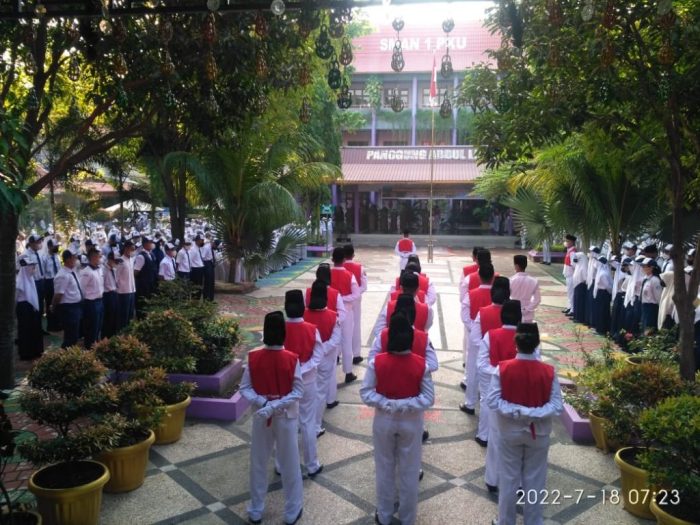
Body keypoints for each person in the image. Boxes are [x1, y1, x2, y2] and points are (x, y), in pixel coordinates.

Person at [360, 313, 435, 525]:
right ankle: (407, 517)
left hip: (383, 419)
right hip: (412, 421)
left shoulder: (377, 362)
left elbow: (365, 393)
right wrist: (405, 405)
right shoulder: (421, 365)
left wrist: (386, 403)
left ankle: (384, 515)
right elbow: (428, 398)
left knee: (384, 466)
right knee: (410, 470)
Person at [487, 323, 563, 525]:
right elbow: (557, 406)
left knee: (509, 478)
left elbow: (492, 401)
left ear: (516, 343)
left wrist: (517, 411)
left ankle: (505, 521)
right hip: (538, 434)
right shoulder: (549, 371)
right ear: (537, 343)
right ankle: (533, 521)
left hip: (509, 431)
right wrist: (535, 413)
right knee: (535, 481)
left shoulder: (502, 369)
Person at [239, 312, 304, 525]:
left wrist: (264, 403)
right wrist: (276, 404)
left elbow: (245, 388)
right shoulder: (292, 359)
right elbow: (297, 392)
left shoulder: (253, 357)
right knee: (290, 463)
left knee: (258, 462)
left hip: (261, 416)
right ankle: (292, 509)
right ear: (283, 333)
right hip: (286, 417)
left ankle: (256, 509)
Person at [478, 299, 522, 492]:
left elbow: (481, 364)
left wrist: (498, 372)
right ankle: (518, 482)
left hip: (497, 390)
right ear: (520, 318)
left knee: (495, 436)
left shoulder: (491, 335)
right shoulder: (526, 338)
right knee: (520, 440)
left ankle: (493, 479)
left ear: (501, 316)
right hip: (519, 394)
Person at [281, 290, 325, 477]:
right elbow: (318, 355)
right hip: (307, 381)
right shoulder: (311, 329)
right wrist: (303, 368)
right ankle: (312, 464)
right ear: (303, 307)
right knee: (308, 422)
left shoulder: (280, 329)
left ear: (285, 307)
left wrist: (292, 370)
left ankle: (280, 464)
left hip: (284, 382)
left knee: (286, 423)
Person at [471, 276, 511, 445]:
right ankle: (501, 434)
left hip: (489, 364)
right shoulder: (515, 314)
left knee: (487, 400)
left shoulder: (483, 312)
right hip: (509, 368)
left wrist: (485, 350)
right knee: (507, 399)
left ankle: (484, 435)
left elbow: (475, 338)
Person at [303, 281, 342, 435]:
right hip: (325, 359)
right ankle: (316, 425)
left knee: (304, 393)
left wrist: (314, 352)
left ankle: (304, 422)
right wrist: (322, 350)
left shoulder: (303, 314)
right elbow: (335, 339)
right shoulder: (333, 316)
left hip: (307, 359)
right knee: (320, 392)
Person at [460, 263, 495, 414]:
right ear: (493, 276)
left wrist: (473, 328)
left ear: (479, 276)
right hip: (494, 337)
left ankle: (470, 403)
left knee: (473, 368)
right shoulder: (498, 294)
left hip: (476, 337)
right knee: (492, 368)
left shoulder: (471, 294)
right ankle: (489, 398)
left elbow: (464, 316)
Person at [330, 247, 360, 384]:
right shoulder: (349, 275)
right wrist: (343, 298)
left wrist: (336, 298)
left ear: (332, 259)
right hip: (346, 312)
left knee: (331, 340)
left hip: (331, 313)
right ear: (344, 260)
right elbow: (356, 294)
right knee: (346, 341)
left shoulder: (328, 274)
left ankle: (333, 364)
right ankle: (348, 373)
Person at [51, 249, 84, 348]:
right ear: (68, 259)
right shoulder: (62, 275)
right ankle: (64, 358)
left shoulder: (71, 271)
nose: (76, 259)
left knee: (74, 335)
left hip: (75, 307)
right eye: (74, 257)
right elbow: (58, 295)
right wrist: (53, 306)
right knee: (70, 337)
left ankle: (70, 356)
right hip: (69, 309)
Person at [15, 253, 44, 360]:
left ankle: (36, 350)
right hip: (24, 308)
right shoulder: (19, 282)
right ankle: (26, 353)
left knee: (35, 329)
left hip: (33, 308)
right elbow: (16, 298)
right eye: (32, 267)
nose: (34, 269)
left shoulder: (31, 279)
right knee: (25, 330)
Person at [343, 244, 367, 364]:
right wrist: (356, 294)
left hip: (340, 300)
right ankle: (356, 354)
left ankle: (337, 354)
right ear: (353, 254)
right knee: (356, 325)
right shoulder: (360, 268)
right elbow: (364, 286)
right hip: (355, 300)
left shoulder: (338, 266)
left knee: (339, 326)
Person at [80, 248, 104, 349]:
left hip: (100, 301)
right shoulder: (86, 272)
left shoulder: (99, 269)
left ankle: (96, 346)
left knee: (98, 326)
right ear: (93, 257)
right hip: (91, 302)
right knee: (92, 328)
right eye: (99, 256)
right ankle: (89, 348)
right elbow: (82, 288)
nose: (101, 258)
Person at [509, 255, 541, 323]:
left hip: (513, 312)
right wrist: (527, 309)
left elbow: (507, 297)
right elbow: (537, 299)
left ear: (516, 266)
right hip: (528, 315)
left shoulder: (510, 280)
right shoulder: (533, 281)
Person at [134, 237, 158, 317]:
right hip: (143, 285)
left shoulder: (151, 254)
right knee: (142, 304)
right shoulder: (141, 256)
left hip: (150, 283)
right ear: (145, 244)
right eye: (150, 242)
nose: (152, 244)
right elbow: (136, 272)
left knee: (149, 303)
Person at [25, 235, 46, 320]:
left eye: (40, 242)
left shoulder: (39, 253)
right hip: (33, 283)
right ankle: (35, 329)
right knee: (34, 305)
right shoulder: (26, 255)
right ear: (31, 243)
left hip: (41, 281)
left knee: (40, 304)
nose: (39, 243)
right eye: (37, 242)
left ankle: (39, 328)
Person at [116, 241, 136, 330]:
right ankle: (122, 332)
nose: (133, 251)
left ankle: (129, 333)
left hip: (132, 290)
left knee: (130, 314)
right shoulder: (120, 261)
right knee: (124, 315)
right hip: (123, 291)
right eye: (131, 249)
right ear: (126, 249)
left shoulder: (131, 259)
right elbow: (116, 276)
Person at [640, 258, 663, 335]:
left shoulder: (655, 280)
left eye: (645, 266)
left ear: (651, 267)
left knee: (649, 329)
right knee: (644, 328)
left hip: (651, 308)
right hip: (645, 307)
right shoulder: (646, 278)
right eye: (642, 266)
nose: (643, 268)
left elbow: (658, 297)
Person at [43, 239, 62, 331]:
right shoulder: (45, 258)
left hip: (57, 280)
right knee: (50, 302)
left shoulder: (56, 256)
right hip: (49, 281)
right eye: (55, 246)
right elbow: (43, 272)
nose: (57, 248)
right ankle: (51, 325)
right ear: (50, 247)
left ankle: (58, 323)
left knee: (58, 302)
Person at [592, 256, 613, 335]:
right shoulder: (601, 272)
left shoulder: (603, 274)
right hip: (601, 293)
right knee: (599, 311)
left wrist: (609, 293)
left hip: (603, 294)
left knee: (602, 312)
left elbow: (608, 286)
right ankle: (599, 328)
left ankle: (602, 329)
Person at [102, 252, 120, 339]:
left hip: (114, 293)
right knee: (108, 318)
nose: (116, 263)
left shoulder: (114, 269)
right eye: (115, 261)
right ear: (109, 260)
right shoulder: (103, 270)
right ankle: (106, 337)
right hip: (107, 295)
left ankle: (113, 335)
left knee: (115, 317)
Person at [572, 251, 589, 325]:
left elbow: (585, 278)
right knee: (576, 301)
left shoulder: (584, 266)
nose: (576, 259)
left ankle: (579, 318)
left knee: (580, 302)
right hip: (576, 285)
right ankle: (576, 316)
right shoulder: (578, 265)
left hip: (581, 286)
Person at [562, 234, 577, 315]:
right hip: (568, 275)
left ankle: (573, 310)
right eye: (566, 241)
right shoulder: (569, 250)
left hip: (571, 275)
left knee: (571, 293)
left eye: (568, 241)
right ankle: (569, 307)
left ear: (572, 242)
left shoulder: (573, 252)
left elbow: (574, 265)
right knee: (569, 292)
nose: (566, 242)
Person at [200, 236, 216, 301]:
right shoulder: (206, 247)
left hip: (211, 264)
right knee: (207, 282)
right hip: (206, 264)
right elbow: (202, 257)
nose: (216, 247)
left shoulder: (212, 248)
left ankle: (211, 298)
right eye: (215, 245)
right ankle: (206, 298)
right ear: (213, 243)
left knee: (212, 282)